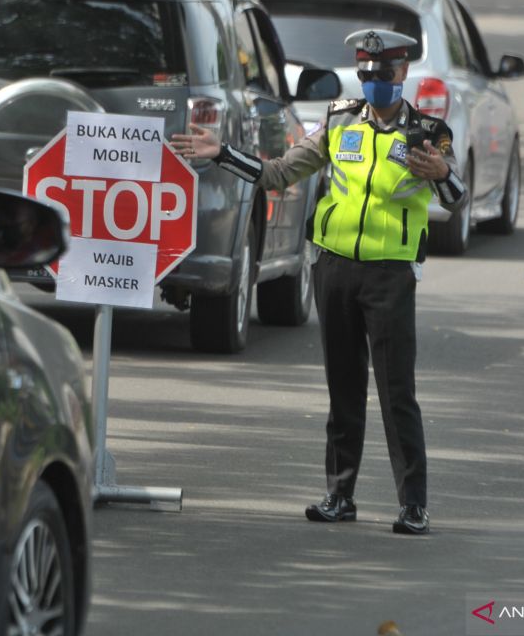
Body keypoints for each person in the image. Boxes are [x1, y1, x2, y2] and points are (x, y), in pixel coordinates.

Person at [172, 29, 468, 536]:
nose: (376, 82)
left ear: (403, 74)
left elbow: (457, 196)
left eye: (386, 74)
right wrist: (223, 152)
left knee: (397, 392)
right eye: (367, 73)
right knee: (342, 388)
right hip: (333, 269)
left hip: (390, 274)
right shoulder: (339, 120)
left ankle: (413, 503)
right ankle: (339, 494)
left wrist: (440, 171)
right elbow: (279, 173)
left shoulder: (428, 132)